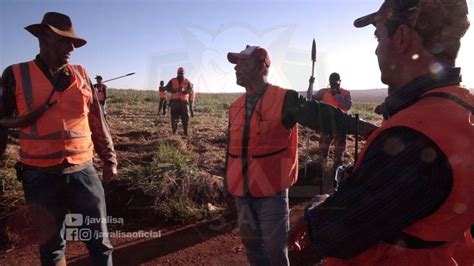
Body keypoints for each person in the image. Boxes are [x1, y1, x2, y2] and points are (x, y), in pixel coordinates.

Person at [289, 0, 474, 265]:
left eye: (378, 35)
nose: (376, 50)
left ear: (401, 37)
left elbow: (334, 234)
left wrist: (316, 208)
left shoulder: (413, 139)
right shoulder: (461, 108)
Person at [225, 45, 377, 266]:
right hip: (241, 190)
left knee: (276, 251)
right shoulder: (235, 107)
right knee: (252, 247)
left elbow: (320, 114)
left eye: (242, 63)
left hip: (271, 192)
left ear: (260, 67)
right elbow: (232, 148)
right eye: (236, 63)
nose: (236, 68)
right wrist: (227, 182)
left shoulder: (284, 99)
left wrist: (360, 127)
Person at [0, 12, 117, 265]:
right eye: (63, 40)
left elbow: (96, 119)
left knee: (100, 243)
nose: (71, 47)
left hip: (83, 172)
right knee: (52, 247)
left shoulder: (81, 73)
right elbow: (1, 121)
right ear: (43, 37)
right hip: (38, 176)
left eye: (72, 42)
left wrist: (109, 158)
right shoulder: (15, 74)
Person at [313, 72, 352, 172]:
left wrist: (337, 95)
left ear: (340, 82)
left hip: (341, 126)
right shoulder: (324, 92)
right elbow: (311, 98)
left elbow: (347, 106)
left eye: (336, 82)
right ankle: (320, 170)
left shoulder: (346, 93)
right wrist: (310, 84)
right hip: (327, 125)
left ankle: (337, 171)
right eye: (332, 82)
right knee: (323, 148)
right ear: (329, 82)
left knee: (339, 151)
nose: (334, 84)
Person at [164, 67, 193, 137]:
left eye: (181, 74)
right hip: (174, 102)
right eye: (179, 73)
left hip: (184, 103)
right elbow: (166, 88)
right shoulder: (172, 80)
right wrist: (175, 90)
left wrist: (184, 91)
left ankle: (185, 134)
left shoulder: (187, 81)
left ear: (183, 74)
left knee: (185, 119)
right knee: (174, 118)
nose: (180, 75)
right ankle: (174, 134)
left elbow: (190, 90)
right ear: (177, 73)